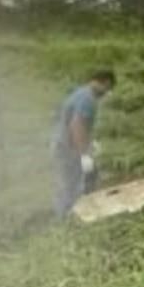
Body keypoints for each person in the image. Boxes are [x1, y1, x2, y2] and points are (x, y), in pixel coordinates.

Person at [50, 69, 115, 217]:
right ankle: (68, 219)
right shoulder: (88, 100)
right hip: (68, 149)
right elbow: (76, 127)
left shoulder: (80, 93)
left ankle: (68, 216)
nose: (107, 93)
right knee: (72, 187)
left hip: (63, 144)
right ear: (103, 82)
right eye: (108, 88)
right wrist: (84, 154)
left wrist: (89, 143)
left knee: (72, 183)